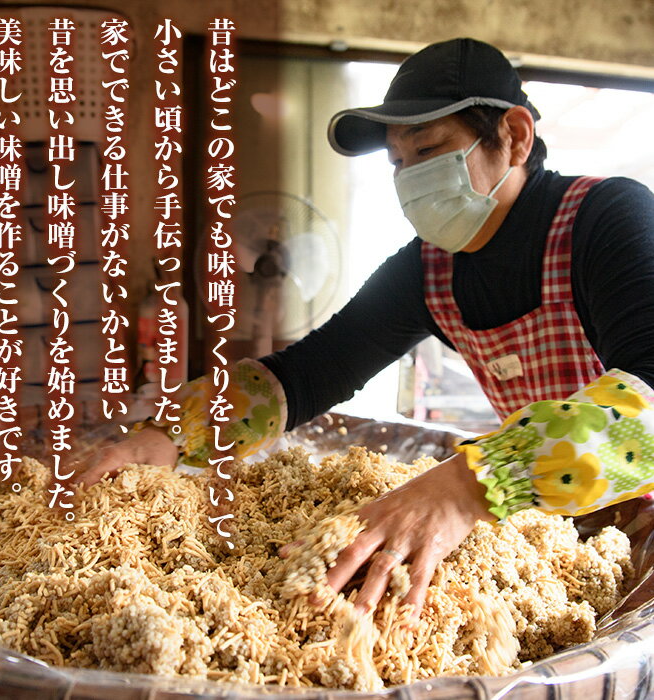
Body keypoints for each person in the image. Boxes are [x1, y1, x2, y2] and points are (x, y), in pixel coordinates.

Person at [79, 38, 654, 621]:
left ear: (514, 135)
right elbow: (304, 375)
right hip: (553, 508)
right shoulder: (428, 269)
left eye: (428, 150)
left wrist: (469, 486)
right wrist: (173, 435)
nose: (410, 178)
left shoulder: (606, 219)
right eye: (399, 164)